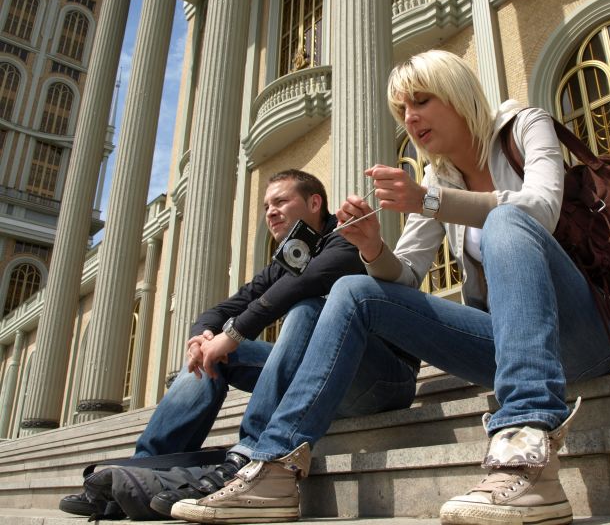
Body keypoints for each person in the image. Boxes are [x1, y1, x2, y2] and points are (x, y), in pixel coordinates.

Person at [171, 50, 610, 525]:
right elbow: (406, 274)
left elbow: (541, 208)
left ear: (457, 94)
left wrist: (429, 201)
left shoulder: (524, 125)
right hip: (500, 345)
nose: (409, 118)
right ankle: (275, 466)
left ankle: (528, 452)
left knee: (506, 221)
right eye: (402, 110)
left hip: (587, 334)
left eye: (421, 101)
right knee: (354, 289)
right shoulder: (438, 175)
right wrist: (372, 248)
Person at [60, 169, 415, 518]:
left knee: (307, 309)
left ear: (314, 203)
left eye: (280, 202)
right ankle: (141, 473)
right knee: (210, 357)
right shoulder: (292, 254)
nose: (270, 212)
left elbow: (303, 284)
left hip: (382, 381)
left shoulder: (347, 235)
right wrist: (203, 335)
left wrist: (233, 335)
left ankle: (247, 455)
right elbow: (234, 303)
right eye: (266, 206)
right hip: (317, 384)